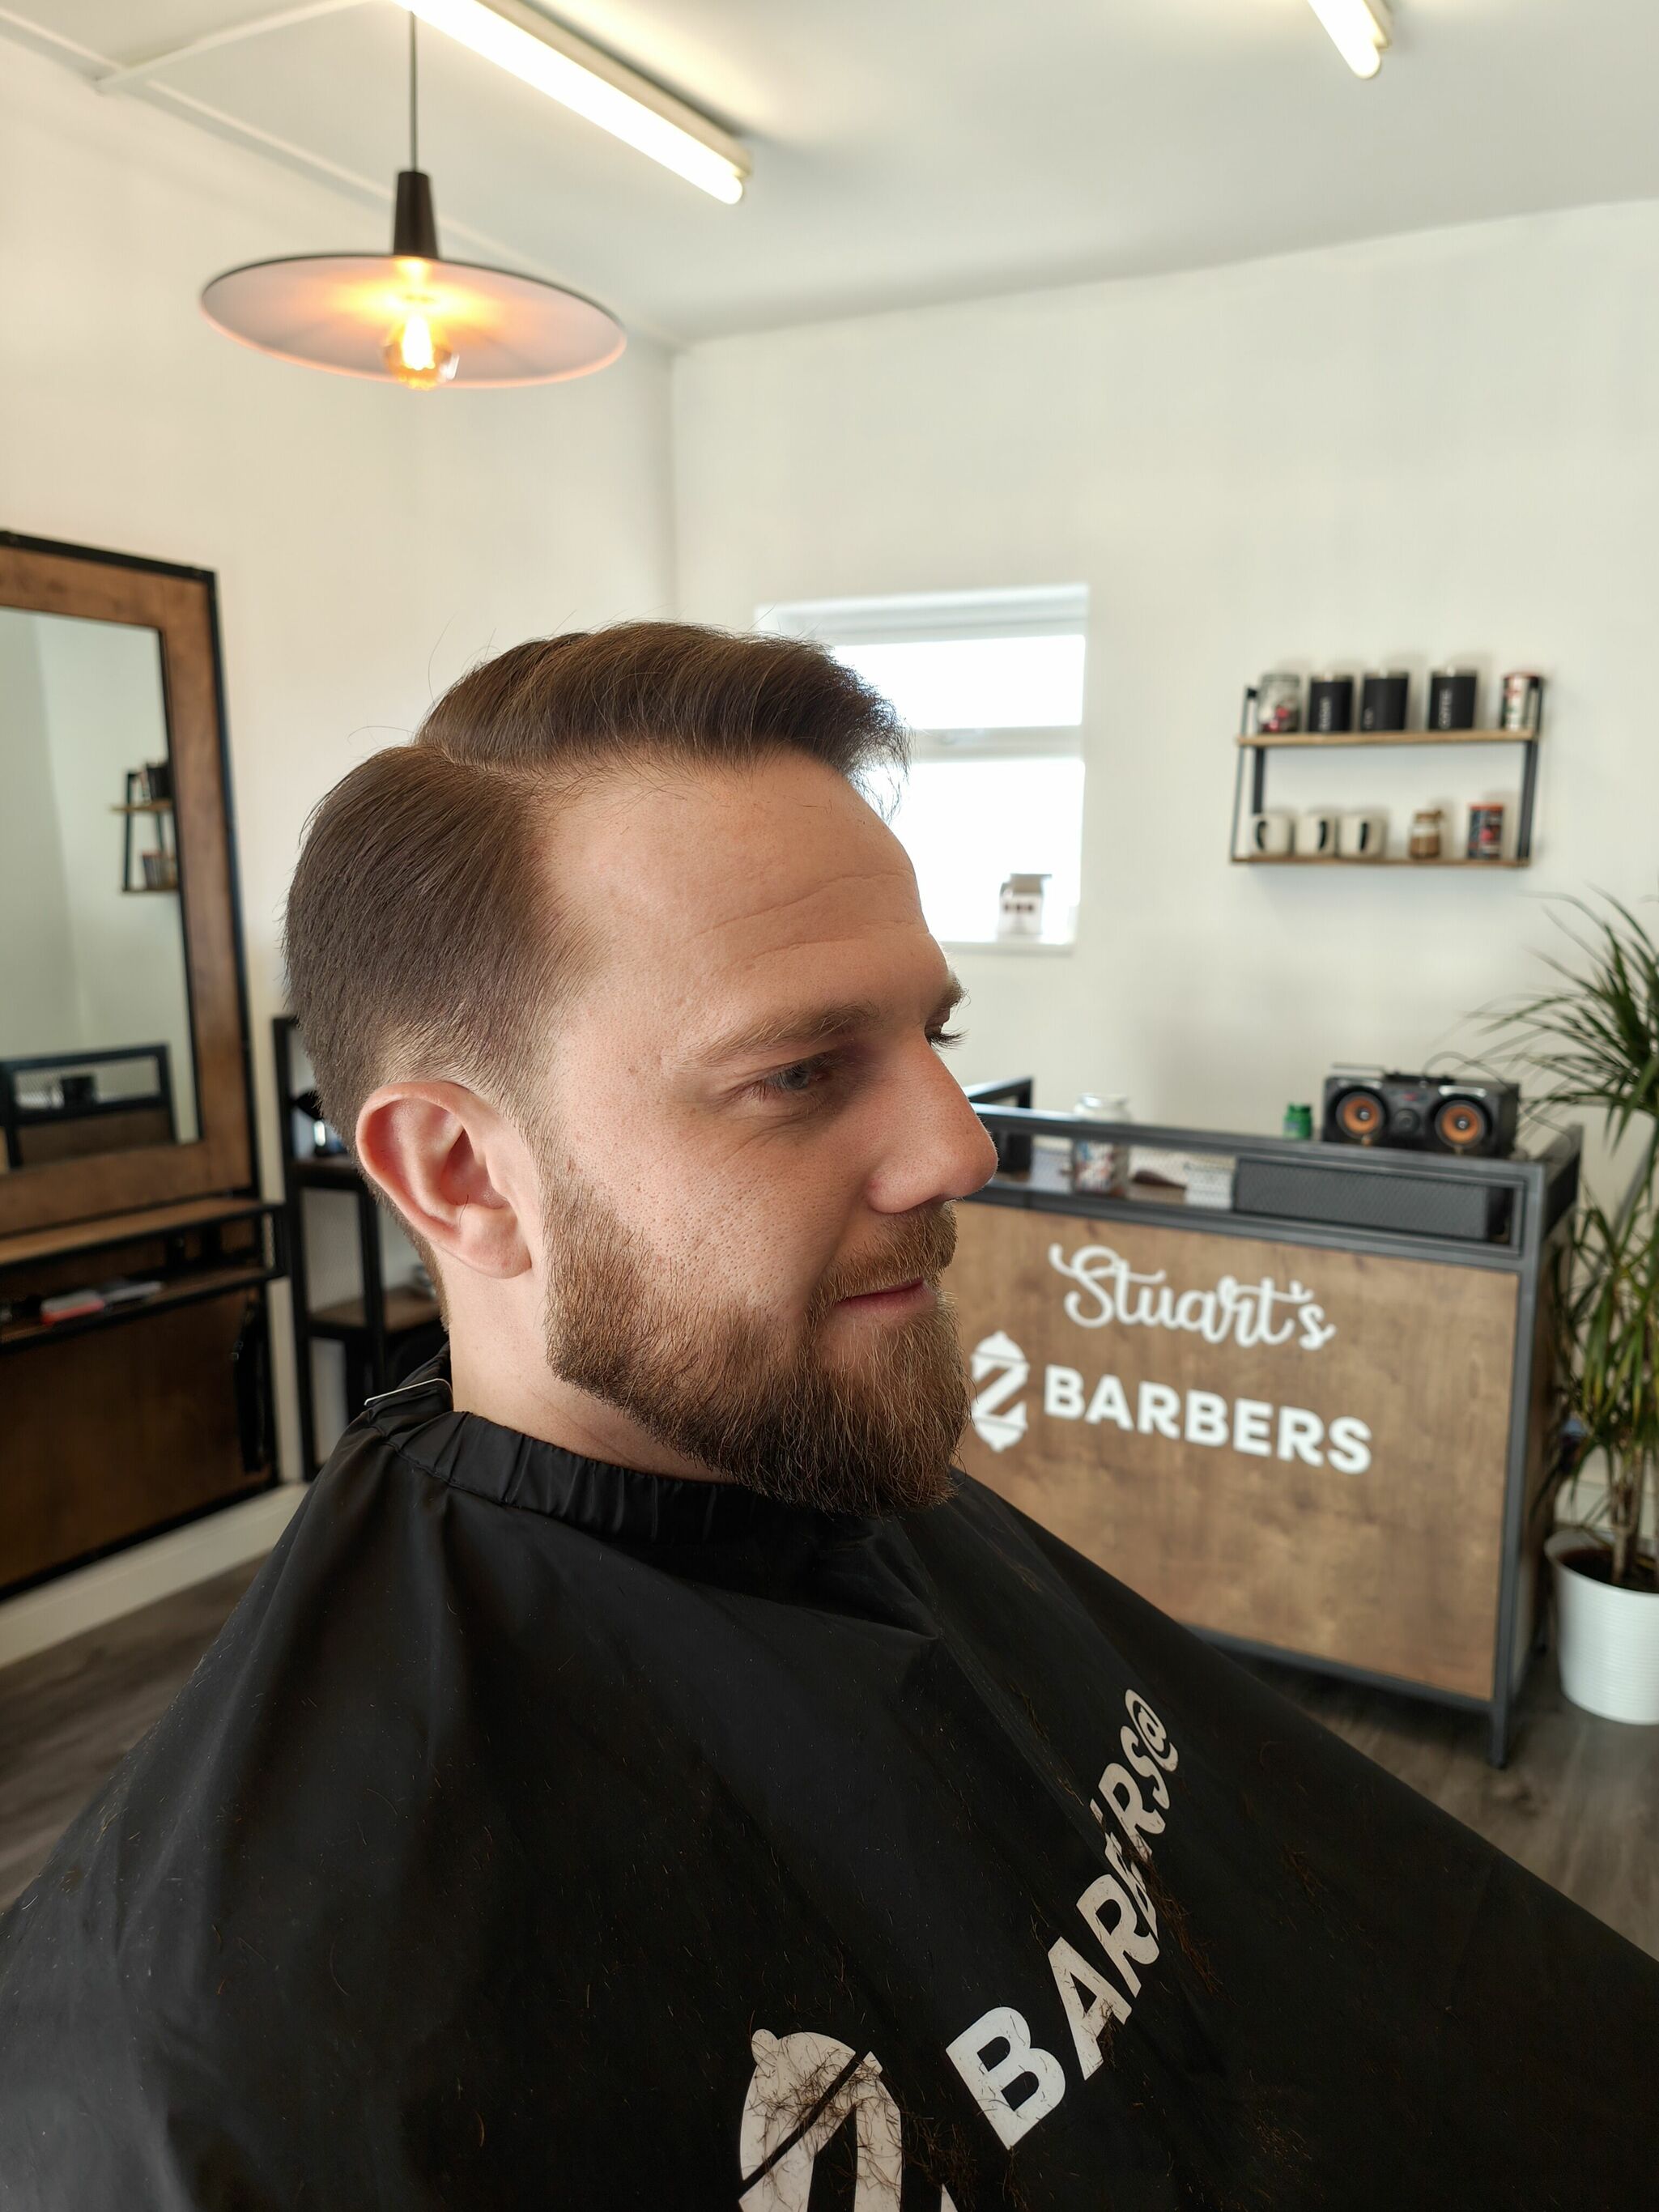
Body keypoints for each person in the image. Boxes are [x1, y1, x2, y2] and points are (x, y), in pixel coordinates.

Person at [1, 621, 1654, 2210]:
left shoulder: (828, 1478)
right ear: (461, 1175)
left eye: (935, 1034)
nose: (959, 1148)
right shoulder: (225, 2052)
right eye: (796, 1072)